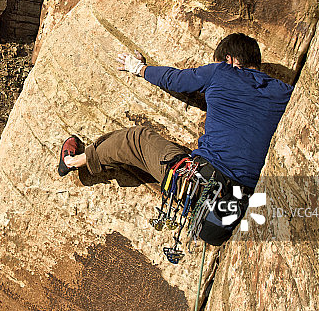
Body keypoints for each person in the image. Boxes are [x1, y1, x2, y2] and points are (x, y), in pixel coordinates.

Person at [59, 33, 293, 192]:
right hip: (239, 201)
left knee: (136, 139)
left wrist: (139, 68)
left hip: (199, 188)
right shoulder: (286, 94)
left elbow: (176, 80)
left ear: (229, 60)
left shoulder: (222, 72)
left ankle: (73, 161)